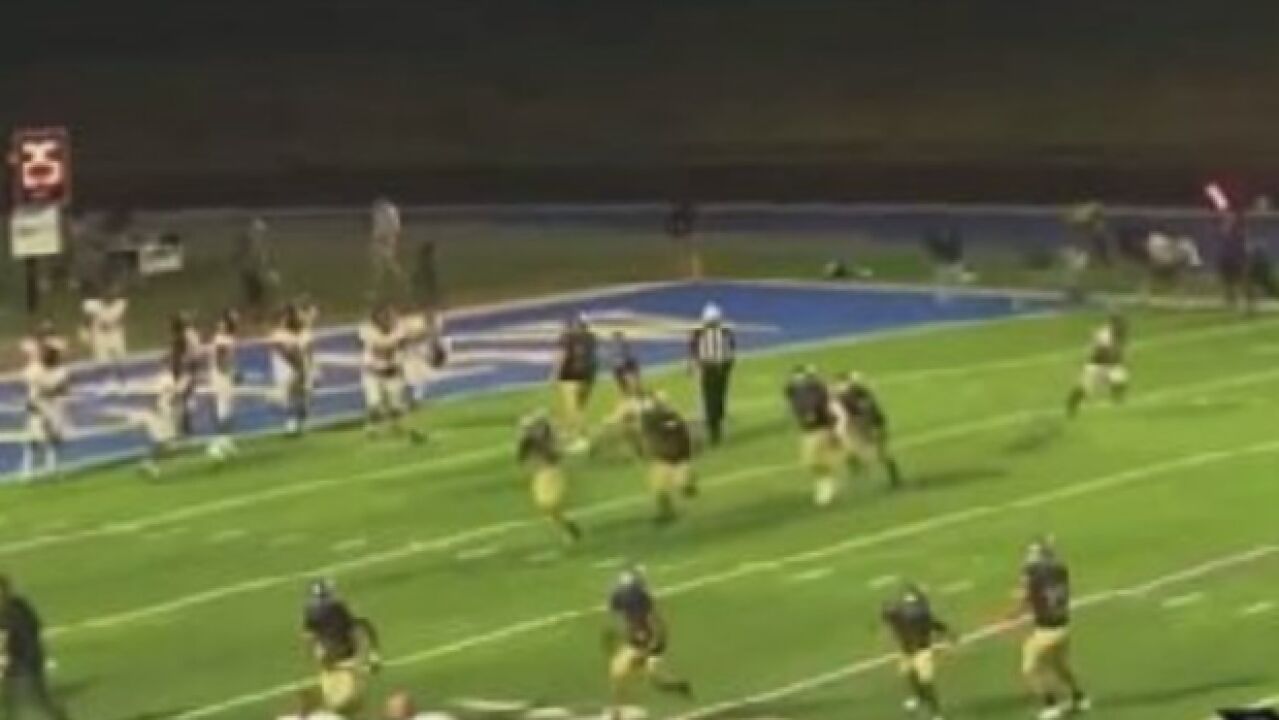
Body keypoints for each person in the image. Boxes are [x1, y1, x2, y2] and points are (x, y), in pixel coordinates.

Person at [1007, 539, 1090, 720]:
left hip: (1046, 630)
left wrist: (1013, 609)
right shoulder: (1060, 571)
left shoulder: (1033, 574)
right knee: (1060, 667)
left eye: (1032, 553)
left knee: (1029, 668)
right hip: (1063, 627)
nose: (1029, 557)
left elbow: (1024, 598)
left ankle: (1051, 705)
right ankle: (1079, 698)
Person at [603, 569, 692, 720]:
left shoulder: (644, 613)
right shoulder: (641, 604)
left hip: (645, 643)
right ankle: (616, 712)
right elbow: (621, 616)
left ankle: (616, 712)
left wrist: (648, 647)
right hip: (640, 642)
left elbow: (654, 627)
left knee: (625, 673)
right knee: (625, 673)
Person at [302, 580, 382, 716]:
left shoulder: (316, 611)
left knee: (344, 705)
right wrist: (374, 654)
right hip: (339, 663)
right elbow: (364, 625)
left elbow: (310, 637)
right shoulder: (335, 609)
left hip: (339, 663)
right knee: (344, 706)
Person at [0, 575, 72, 720]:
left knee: (38, 705)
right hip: (20, 665)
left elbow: (14, 638)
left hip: (24, 666)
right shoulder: (16, 607)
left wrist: (6, 660)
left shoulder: (14, 611)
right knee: (16, 706)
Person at [882, 583, 954, 720]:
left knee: (926, 680)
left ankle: (936, 713)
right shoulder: (908, 614)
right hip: (906, 649)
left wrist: (947, 633)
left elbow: (932, 624)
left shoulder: (913, 615)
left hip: (921, 649)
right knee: (909, 674)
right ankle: (918, 697)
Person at [516, 410, 582, 544]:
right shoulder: (529, 441)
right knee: (545, 506)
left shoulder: (549, 438)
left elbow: (556, 453)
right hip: (539, 474)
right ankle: (567, 527)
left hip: (552, 472)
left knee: (549, 503)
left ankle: (568, 531)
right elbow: (522, 457)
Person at [359, 306, 422, 443]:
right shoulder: (368, 331)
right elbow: (382, 345)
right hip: (372, 372)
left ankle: (398, 426)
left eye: (388, 317)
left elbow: (415, 335)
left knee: (396, 406)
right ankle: (371, 428)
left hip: (392, 372)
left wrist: (409, 336)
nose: (387, 321)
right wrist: (402, 336)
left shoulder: (398, 329)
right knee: (374, 403)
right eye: (383, 317)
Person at [784, 365, 844, 506]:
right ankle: (825, 483)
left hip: (822, 428)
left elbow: (827, 395)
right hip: (807, 431)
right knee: (809, 462)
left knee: (820, 460)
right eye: (795, 376)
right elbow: (788, 392)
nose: (797, 379)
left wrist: (816, 376)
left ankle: (827, 486)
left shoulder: (817, 390)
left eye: (799, 376)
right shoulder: (794, 390)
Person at [833, 372, 903, 488]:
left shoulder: (855, 394)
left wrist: (842, 428)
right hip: (864, 425)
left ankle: (891, 476)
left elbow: (855, 412)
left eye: (840, 384)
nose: (838, 387)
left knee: (876, 453)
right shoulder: (855, 393)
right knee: (854, 452)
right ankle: (862, 474)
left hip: (867, 425)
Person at [637, 392, 697, 525]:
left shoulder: (671, 419)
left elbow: (685, 438)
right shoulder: (650, 419)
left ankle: (687, 484)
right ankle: (666, 513)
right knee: (659, 489)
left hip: (677, 459)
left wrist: (686, 457)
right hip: (662, 459)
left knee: (682, 485)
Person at [688, 303, 736, 446]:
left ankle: (716, 426)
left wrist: (693, 366)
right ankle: (714, 428)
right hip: (710, 368)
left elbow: (731, 351)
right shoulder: (701, 333)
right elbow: (693, 352)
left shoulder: (723, 332)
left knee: (717, 398)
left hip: (715, 368)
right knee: (712, 399)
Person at [20, 344, 69, 480]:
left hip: (53, 407)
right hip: (36, 406)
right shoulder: (34, 369)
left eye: (49, 355)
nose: (45, 357)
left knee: (53, 439)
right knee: (32, 440)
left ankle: (51, 469)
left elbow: (62, 389)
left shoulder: (60, 371)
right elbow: (27, 380)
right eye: (44, 354)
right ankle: (27, 472)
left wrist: (54, 392)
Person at [1065, 314, 1128, 417]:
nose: (1120, 327)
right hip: (1096, 364)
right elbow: (1104, 352)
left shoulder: (1117, 334)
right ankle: (1071, 405)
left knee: (1120, 377)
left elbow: (1117, 350)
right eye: (1119, 325)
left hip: (1107, 364)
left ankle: (1117, 399)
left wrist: (1118, 358)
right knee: (1085, 389)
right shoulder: (1105, 334)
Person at [551, 314, 598, 452]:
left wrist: (554, 374)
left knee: (573, 408)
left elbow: (561, 356)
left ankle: (582, 438)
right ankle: (571, 432)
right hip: (588, 375)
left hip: (570, 374)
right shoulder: (591, 337)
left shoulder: (566, 338)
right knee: (580, 408)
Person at [140, 354, 191, 478]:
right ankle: (150, 463)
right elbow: (157, 395)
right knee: (167, 442)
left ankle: (149, 463)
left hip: (166, 412)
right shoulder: (165, 379)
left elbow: (173, 394)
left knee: (166, 442)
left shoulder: (168, 378)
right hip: (163, 412)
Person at [272, 303, 313, 436]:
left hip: (300, 367)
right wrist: (295, 364)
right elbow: (282, 351)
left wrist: (308, 367)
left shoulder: (301, 332)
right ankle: (291, 424)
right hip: (285, 368)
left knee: (302, 396)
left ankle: (300, 423)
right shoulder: (278, 334)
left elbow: (308, 349)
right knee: (289, 395)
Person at [206, 309, 241, 461]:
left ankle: (226, 440)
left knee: (228, 410)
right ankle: (216, 444)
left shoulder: (226, 338)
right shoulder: (222, 340)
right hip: (221, 378)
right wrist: (232, 373)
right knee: (224, 411)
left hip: (223, 376)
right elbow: (221, 362)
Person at [79, 285, 128, 392]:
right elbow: (87, 320)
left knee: (120, 358)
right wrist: (86, 333)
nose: (108, 295)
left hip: (115, 333)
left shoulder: (120, 304)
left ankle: (122, 382)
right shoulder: (92, 305)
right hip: (100, 334)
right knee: (102, 361)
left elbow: (120, 319)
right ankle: (105, 382)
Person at [235, 216, 278, 322]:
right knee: (254, 296)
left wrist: (269, 270)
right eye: (259, 232)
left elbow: (264, 259)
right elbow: (249, 259)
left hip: (254, 273)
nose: (261, 234)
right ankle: (250, 315)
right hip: (250, 273)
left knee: (258, 296)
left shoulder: (259, 244)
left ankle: (254, 315)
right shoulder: (249, 244)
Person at [370, 197, 406, 301]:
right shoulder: (392, 210)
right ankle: (398, 282)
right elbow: (397, 227)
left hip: (383, 239)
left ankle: (399, 282)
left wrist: (379, 239)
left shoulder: (381, 211)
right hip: (388, 238)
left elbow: (379, 226)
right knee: (386, 262)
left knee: (384, 263)